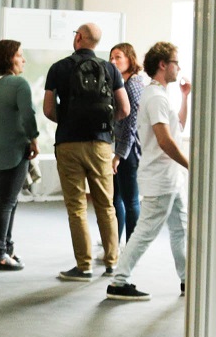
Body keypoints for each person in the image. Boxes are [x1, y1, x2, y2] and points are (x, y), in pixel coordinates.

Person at [43, 22, 128, 281]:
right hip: (101, 144)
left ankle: (84, 266)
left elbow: (47, 109)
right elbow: (124, 109)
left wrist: (69, 121)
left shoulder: (58, 68)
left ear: (78, 38)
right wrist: (103, 125)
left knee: (77, 207)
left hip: (68, 144)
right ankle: (113, 262)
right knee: (106, 205)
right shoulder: (110, 68)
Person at [106, 41, 190, 302]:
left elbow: (179, 127)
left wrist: (186, 97)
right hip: (160, 178)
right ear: (163, 65)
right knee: (146, 232)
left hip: (170, 178)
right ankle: (119, 281)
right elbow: (164, 141)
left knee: (180, 230)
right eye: (175, 62)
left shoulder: (161, 96)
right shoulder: (153, 96)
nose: (178, 67)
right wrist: (192, 165)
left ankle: (188, 280)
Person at [0, 39, 39, 270]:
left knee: (6, 201)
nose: (23, 59)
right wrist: (34, 139)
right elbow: (28, 115)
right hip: (13, 151)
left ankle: (7, 248)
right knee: (6, 203)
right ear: (9, 58)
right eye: (20, 55)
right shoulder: (19, 84)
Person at [109, 42, 146, 243]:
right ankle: (115, 244)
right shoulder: (122, 83)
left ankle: (131, 246)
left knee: (130, 200)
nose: (113, 61)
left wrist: (119, 155)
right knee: (116, 199)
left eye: (118, 57)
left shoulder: (134, 84)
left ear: (130, 59)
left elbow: (132, 124)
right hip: (122, 148)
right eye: (111, 57)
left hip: (129, 150)